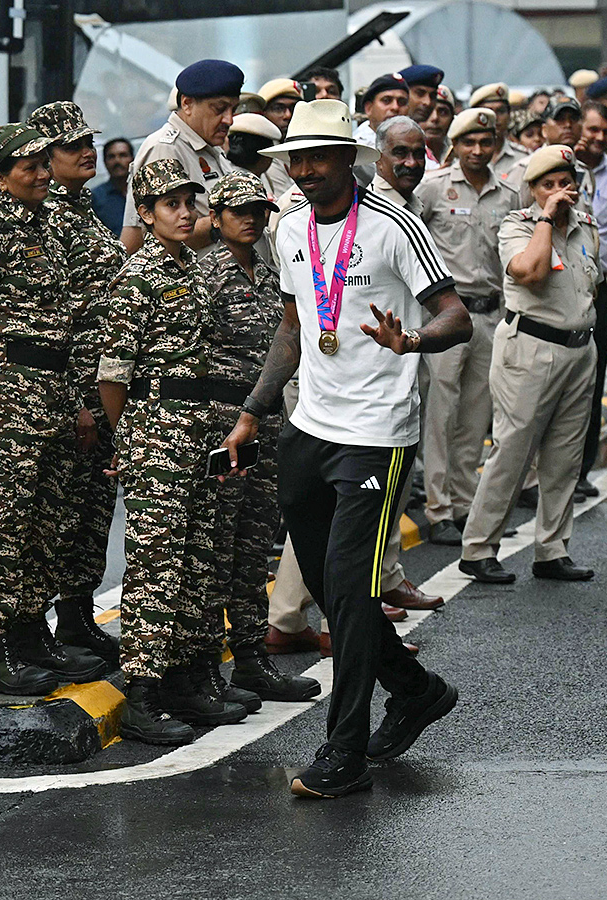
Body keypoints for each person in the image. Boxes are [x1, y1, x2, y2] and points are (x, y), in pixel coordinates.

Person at [223, 98, 471, 798]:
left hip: (376, 434)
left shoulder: (397, 227)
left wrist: (413, 339)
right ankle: (416, 690)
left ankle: (345, 751)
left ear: (348, 161)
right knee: (340, 592)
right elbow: (294, 328)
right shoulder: (291, 228)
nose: (305, 172)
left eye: (318, 159)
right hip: (309, 429)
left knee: (355, 587)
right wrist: (252, 412)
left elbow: (458, 317)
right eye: (295, 160)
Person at [0, 123, 109, 695]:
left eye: (43, 163)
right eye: (27, 167)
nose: (40, 174)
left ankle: (34, 634)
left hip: (54, 389)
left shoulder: (53, 229)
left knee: (47, 521)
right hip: (2, 396)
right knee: (3, 524)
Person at [98, 159, 250, 745]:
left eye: (192, 202)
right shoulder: (138, 275)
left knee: (197, 559)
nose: (186, 213)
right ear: (145, 213)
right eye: (171, 204)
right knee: (156, 567)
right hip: (158, 431)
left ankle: (185, 679)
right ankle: (139, 693)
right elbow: (114, 372)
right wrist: (128, 437)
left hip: (201, 432)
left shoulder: (196, 267)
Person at [196, 171, 323, 702]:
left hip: (269, 421)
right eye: (237, 211)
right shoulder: (203, 276)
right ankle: (203, 668)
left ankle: (250, 661)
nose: (250, 219)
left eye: (258, 210)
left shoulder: (275, 274)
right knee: (212, 549)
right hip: (221, 423)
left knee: (252, 549)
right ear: (218, 219)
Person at [458, 145, 601, 584]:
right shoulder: (516, 226)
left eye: (565, 182)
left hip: (579, 349)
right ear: (533, 191)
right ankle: (479, 547)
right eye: (547, 185)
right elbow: (531, 272)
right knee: (513, 451)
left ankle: (552, 549)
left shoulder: (586, 227)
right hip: (531, 348)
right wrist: (545, 218)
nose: (559, 191)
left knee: (564, 457)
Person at [25, 101, 127, 667]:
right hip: (70, 394)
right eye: (72, 147)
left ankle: (79, 616)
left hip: (100, 386)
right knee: (58, 515)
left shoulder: (83, 212)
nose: (87, 152)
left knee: (92, 510)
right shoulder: (45, 221)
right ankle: (44, 628)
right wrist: (76, 404)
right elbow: (50, 322)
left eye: (89, 141)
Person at [417, 108, 520, 546]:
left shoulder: (509, 195)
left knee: (477, 415)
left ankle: (464, 503)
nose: (478, 151)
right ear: (455, 146)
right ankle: (437, 507)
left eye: (486, 142)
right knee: (440, 412)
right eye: (468, 143)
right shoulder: (433, 190)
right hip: (446, 314)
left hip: (491, 314)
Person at [120, 59, 243, 254]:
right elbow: (151, 239)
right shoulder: (164, 149)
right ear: (187, 104)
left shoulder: (211, 147)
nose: (229, 120)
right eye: (219, 109)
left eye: (233, 110)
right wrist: (237, 217)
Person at [574, 101, 607, 500]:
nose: (597, 138)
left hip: (601, 287)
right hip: (559, 288)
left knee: (593, 384)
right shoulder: (556, 169)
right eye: (591, 130)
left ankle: (581, 470)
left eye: (604, 133)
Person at [469, 83, 527, 178]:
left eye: (501, 111)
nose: (495, 117)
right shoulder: (464, 157)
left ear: (509, 116)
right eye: (489, 111)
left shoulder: (523, 158)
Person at [258, 79, 303, 197]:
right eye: (278, 108)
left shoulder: (301, 146)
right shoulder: (262, 155)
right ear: (263, 113)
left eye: (294, 109)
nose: (288, 115)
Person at [353, 73, 409, 149]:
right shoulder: (355, 147)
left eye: (402, 102)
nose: (395, 107)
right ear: (369, 108)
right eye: (386, 100)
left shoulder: (415, 143)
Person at [91, 137, 132, 235]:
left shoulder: (144, 191)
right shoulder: (95, 197)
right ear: (104, 162)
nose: (117, 161)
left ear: (132, 159)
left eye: (123, 155)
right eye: (111, 157)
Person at [418, 85, 455, 169]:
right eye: (428, 111)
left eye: (442, 112)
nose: (435, 118)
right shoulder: (406, 157)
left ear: (452, 120)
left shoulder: (460, 154)